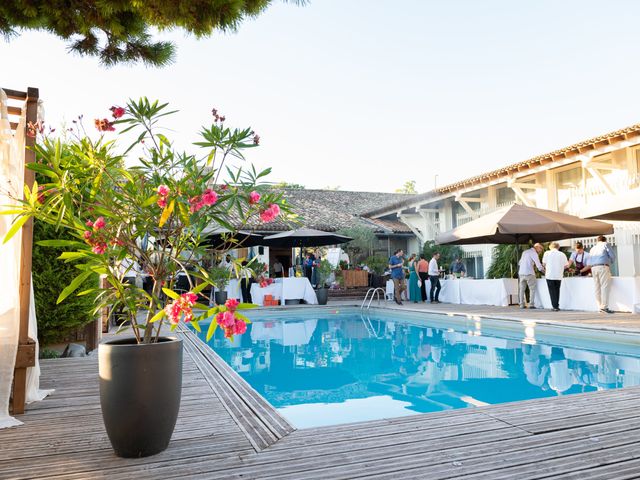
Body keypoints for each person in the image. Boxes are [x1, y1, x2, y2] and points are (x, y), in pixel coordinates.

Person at [586, 235, 616, 314]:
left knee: (597, 287)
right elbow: (612, 255)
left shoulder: (592, 248)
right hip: (602, 267)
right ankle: (604, 307)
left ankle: (599, 307)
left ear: (597, 241)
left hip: (593, 268)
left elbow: (589, 261)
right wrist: (611, 262)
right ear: (605, 240)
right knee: (604, 286)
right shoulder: (606, 244)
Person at [518, 243, 544, 309]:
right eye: (541, 249)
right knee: (532, 289)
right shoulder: (534, 253)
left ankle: (521, 304)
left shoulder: (525, 252)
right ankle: (531, 304)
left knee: (521, 289)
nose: (540, 251)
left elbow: (519, 262)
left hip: (521, 273)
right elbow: (538, 265)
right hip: (529, 273)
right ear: (537, 247)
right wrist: (545, 271)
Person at [542, 242, 567, 311]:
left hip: (549, 275)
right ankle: (556, 305)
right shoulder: (562, 254)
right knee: (557, 290)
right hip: (558, 275)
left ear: (550, 247)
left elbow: (544, 264)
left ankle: (555, 306)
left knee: (552, 291)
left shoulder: (547, 253)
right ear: (558, 247)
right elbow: (566, 266)